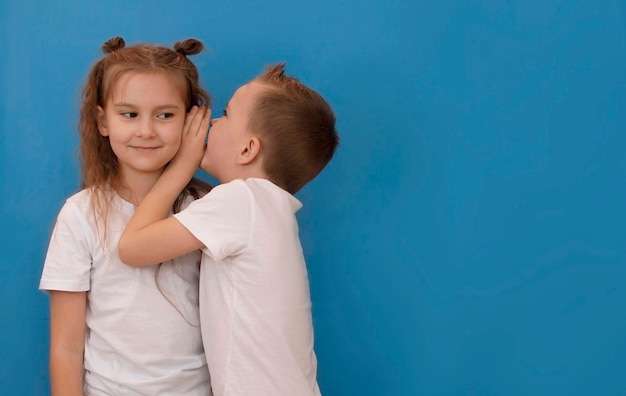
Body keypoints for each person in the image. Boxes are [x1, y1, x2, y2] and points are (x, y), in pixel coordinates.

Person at [118, 64, 339, 395]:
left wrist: (182, 165)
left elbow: (133, 248)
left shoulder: (242, 200)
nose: (213, 122)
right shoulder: (269, 209)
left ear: (248, 149)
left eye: (226, 114)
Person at [39, 36, 213, 395]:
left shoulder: (207, 209)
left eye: (165, 115)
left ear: (190, 119)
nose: (146, 130)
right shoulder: (80, 215)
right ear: (103, 121)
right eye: (129, 114)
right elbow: (66, 348)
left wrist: (184, 168)